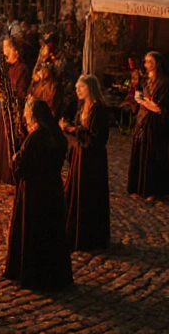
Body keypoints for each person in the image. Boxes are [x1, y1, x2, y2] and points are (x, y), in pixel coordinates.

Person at [3, 98, 73, 291]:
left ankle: (35, 275)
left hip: (34, 192)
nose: (24, 117)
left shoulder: (36, 138)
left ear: (33, 116)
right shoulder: (55, 134)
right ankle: (55, 274)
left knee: (36, 232)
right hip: (52, 189)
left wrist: (15, 160)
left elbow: (23, 166)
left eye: (26, 114)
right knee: (51, 232)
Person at [62, 75, 110, 251]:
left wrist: (74, 130)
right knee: (75, 191)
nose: (78, 91)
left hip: (93, 159)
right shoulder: (82, 107)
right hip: (80, 155)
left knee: (89, 193)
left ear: (90, 88)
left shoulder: (98, 109)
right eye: (76, 88)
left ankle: (90, 236)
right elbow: (79, 130)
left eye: (81, 87)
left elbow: (97, 137)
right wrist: (69, 129)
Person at [128, 51, 169, 201]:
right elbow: (142, 97)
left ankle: (153, 190)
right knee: (140, 153)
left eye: (149, 61)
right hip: (143, 120)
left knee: (153, 156)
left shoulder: (164, 83)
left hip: (155, 124)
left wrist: (144, 102)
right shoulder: (147, 81)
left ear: (156, 64)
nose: (146, 64)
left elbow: (159, 107)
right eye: (146, 61)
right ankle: (138, 187)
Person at [0, 36, 30, 185]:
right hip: (5, 107)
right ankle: (3, 172)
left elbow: (21, 90)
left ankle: (13, 173)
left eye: (7, 48)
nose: (4, 51)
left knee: (13, 139)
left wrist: (9, 96)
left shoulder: (22, 69)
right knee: (3, 138)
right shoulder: (6, 68)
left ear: (16, 51)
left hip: (15, 110)